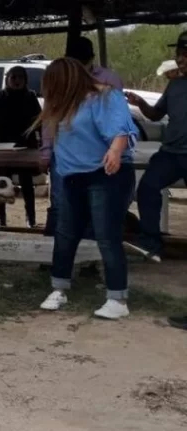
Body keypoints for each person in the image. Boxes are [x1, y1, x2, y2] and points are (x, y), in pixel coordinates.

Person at [33, 58, 137, 320]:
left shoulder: (105, 97)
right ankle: (59, 287)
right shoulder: (61, 105)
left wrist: (115, 151)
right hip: (71, 176)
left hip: (106, 175)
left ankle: (117, 297)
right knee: (65, 233)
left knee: (106, 235)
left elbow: (122, 130)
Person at [42, 37, 125, 235]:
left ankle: (88, 259)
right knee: (60, 202)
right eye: (74, 63)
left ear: (92, 59)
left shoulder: (109, 80)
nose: (79, 69)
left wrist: (116, 150)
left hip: (97, 157)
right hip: (64, 154)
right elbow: (49, 117)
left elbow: (118, 121)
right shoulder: (60, 78)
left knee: (93, 206)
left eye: (83, 64)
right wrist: (46, 151)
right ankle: (52, 255)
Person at [126, 31, 187, 263]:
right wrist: (140, 103)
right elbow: (155, 115)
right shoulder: (175, 86)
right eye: (179, 53)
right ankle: (151, 243)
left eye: (185, 54)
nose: (180, 58)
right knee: (147, 189)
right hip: (170, 154)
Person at [0, 66, 43, 227]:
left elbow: (40, 122)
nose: (16, 81)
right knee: (0, 184)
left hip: (26, 148)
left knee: (27, 185)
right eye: (13, 77)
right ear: (7, 79)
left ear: (25, 80)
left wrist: (44, 145)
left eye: (20, 77)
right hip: (1, 148)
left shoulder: (30, 97)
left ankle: (31, 219)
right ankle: (1, 220)